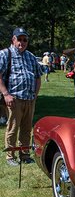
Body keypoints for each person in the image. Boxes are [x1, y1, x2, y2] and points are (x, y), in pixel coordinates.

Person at [0, 28, 42, 166]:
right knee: (13, 127)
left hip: (29, 99)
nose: (22, 42)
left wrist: (35, 95)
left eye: (25, 40)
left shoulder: (31, 56)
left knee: (27, 128)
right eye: (19, 39)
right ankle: (10, 156)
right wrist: (6, 94)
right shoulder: (5, 54)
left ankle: (24, 154)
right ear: (13, 39)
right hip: (14, 99)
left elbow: (37, 77)